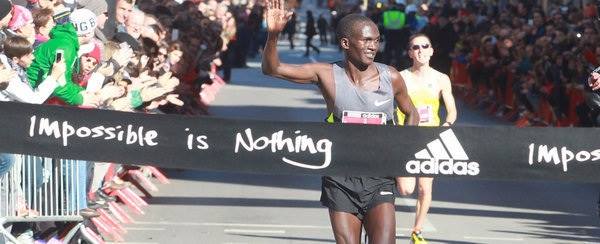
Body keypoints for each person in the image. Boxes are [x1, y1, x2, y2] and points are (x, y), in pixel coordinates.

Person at [261, 0, 419, 242]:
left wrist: (403, 155)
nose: (373, 46)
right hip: (340, 177)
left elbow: (412, 113)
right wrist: (273, 35)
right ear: (345, 43)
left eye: (376, 40)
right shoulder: (326, 74)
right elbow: (273, 69)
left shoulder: (391, 77)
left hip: (379, 177)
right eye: (366, 40)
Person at [396, 33, 457, 244]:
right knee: (405, 189)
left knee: (424, 188)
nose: (420, 50)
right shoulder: (401, 77)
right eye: (415, 47)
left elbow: (451, 111)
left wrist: (446, 126)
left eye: (425, 46)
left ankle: (417, 230)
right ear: (410, 52)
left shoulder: (441, 79)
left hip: (430, 137)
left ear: (432, 50)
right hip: (406, 136)